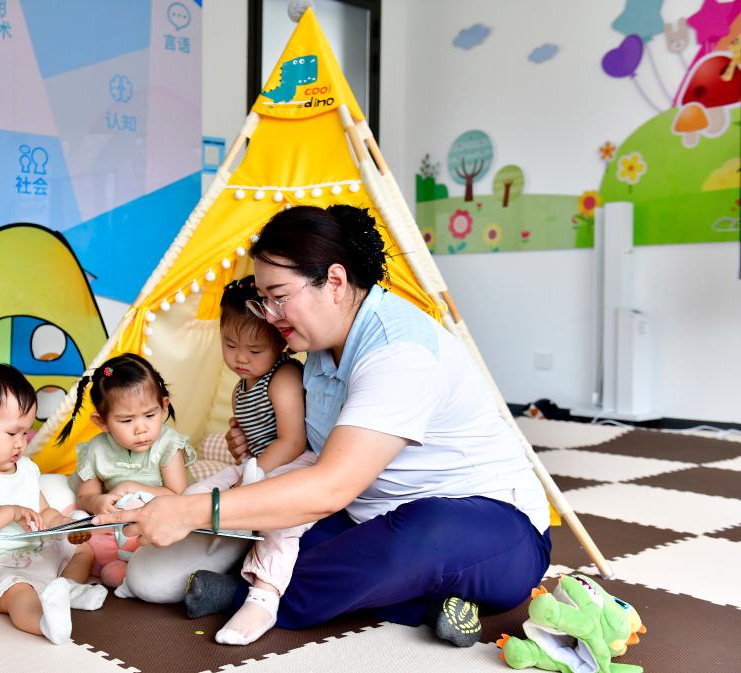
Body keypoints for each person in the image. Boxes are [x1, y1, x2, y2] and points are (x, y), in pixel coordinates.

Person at [94, 205, 552, 647]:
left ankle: (244, 596)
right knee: (280, 542)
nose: (270, 315)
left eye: (279, 297)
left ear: (334, 281)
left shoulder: (397, 351)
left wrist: (190, 511)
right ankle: (430, 602)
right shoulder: (317, 351)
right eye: (263, 300)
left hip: (491, 525)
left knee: (418, 535)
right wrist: (252, 450)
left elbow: (331, 485)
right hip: (368, 517)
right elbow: (310, 455)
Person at [0, 363, 107, 646]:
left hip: (31, 554)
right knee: (20, 592)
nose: (21, 443)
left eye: (25, 433)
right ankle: (44, 622)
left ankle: (69, 590)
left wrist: (65, 526)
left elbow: (45, 512)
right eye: (12, 433)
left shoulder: (25, 468)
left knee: (82, 550)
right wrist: (10, 512)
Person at [185, 275, 317, 645]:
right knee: (198, 492)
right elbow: (249, 446)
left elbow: (292, 441)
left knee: (278, 513)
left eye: (255, 350)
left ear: (280, 343)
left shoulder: (283, 376)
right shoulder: (241, 388)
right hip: (260, 463)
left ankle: (263, 594)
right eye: (230, 345)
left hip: (294, 461)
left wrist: (249, 479)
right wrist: (244, 462)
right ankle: (184, 545)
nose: (240, 358)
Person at [63, 353, 196, 515]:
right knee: (77, 516)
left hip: (163, 517)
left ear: (163, 406)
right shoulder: (97, 450)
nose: (141, 429)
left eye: (149, 415)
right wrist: (96, 502)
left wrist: (130, 488)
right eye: (126, 420)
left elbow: (178, 495)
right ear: (102, 422)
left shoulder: (168, 444)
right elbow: (84, 497)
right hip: (120, 519)